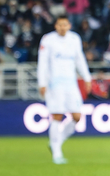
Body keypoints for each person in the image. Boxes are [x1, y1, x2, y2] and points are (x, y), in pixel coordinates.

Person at [38, 15, 91, 164]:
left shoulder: (74, 39)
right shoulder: (48, 40)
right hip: (54, 83)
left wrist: (87, 77)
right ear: (55, 26)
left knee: (77, 116)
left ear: (69, 26)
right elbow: (42, 62)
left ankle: (56, 141)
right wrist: (42, 82)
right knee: (57, 115)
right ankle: (57, 153)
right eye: (59, 25)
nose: (62, 27)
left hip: (71, 83)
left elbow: (80, 59)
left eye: (65, 25)